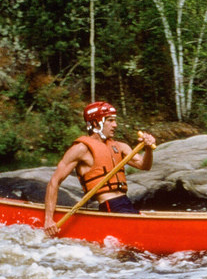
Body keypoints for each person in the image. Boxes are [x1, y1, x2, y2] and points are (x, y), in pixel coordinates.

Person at [43, 101, 157, 236]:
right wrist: (49, 219)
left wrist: (149, 149)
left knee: (147, 224)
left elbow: (145, 165)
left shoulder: (120, 146)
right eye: (110, 120)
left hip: (125, 203)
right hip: (110, 206)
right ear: (96, 123)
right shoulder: (81, 149)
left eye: (115, 121)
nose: (115, 125)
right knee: (143, 230)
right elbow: (54, 181)